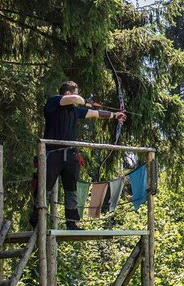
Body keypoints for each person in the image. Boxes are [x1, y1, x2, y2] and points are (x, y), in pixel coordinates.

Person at [30, 80, 125, 229]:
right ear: (67, 93)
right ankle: (37, 217)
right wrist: (85, 101)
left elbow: (95, 113)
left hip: (71, 156)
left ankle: (71, 222)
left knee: (71, 189)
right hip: (52, 154)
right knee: (45, 187)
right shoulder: (53, 101)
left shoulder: (74, 110)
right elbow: (76, 99)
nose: (77, 95)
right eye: (75, 91)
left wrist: (115, 115)